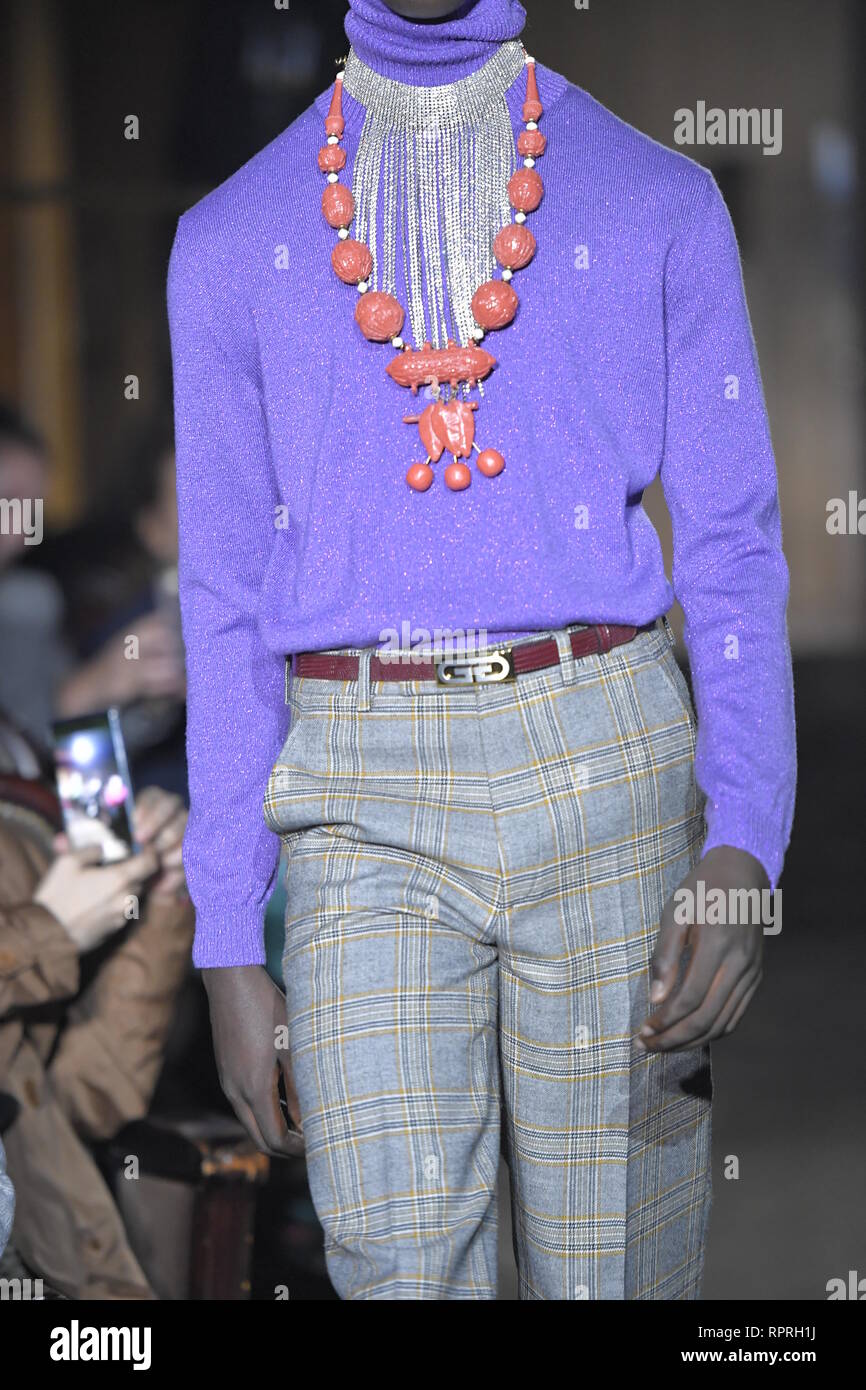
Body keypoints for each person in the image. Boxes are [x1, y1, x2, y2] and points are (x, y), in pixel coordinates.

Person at [168, 0, 796, 1299]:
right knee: (395, 1268)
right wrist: (228, 929)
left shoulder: (657, 199)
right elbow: (221, 595)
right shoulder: (229, 239)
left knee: (611, 1272)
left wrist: (746, 827)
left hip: (607, 752)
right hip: (357, 794)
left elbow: (731, 543)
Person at [0, 710, 193, 1298]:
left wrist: (163, 900)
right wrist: (47, 932)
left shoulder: (20, 788)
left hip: (57, 1266)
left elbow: (86, 1099)